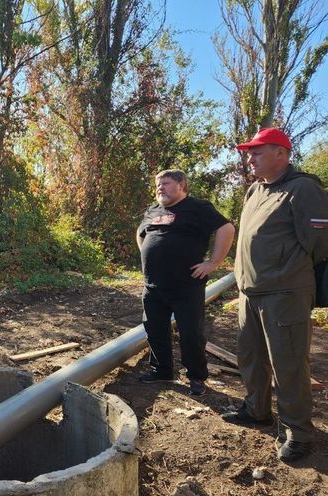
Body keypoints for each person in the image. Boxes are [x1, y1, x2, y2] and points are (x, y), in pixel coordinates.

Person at [222, 128, 328, 462]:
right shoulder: (256, 189)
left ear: (281, 153)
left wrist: (288, 272)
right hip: (251, 292)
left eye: (257, 152)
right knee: (250, 357)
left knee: (289, 362)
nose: (249, 158)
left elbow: (320, 244)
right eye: (249, 153)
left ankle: (298, 432)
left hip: (285, 293)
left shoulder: (304, 188)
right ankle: (257, 410)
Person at [137, 169, 235, 396]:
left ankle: (196, 377)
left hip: (186, 286)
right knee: (154, 330)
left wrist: (213, 262)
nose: (160, 187)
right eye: (157, 184)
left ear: (182, 185)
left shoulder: (198, 208)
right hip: (153, 286)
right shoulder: (153, 210)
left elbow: (226, 228)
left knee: (191, 333)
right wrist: (147, 253)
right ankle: (161, 371)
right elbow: (141, 233)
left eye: (166, 183)